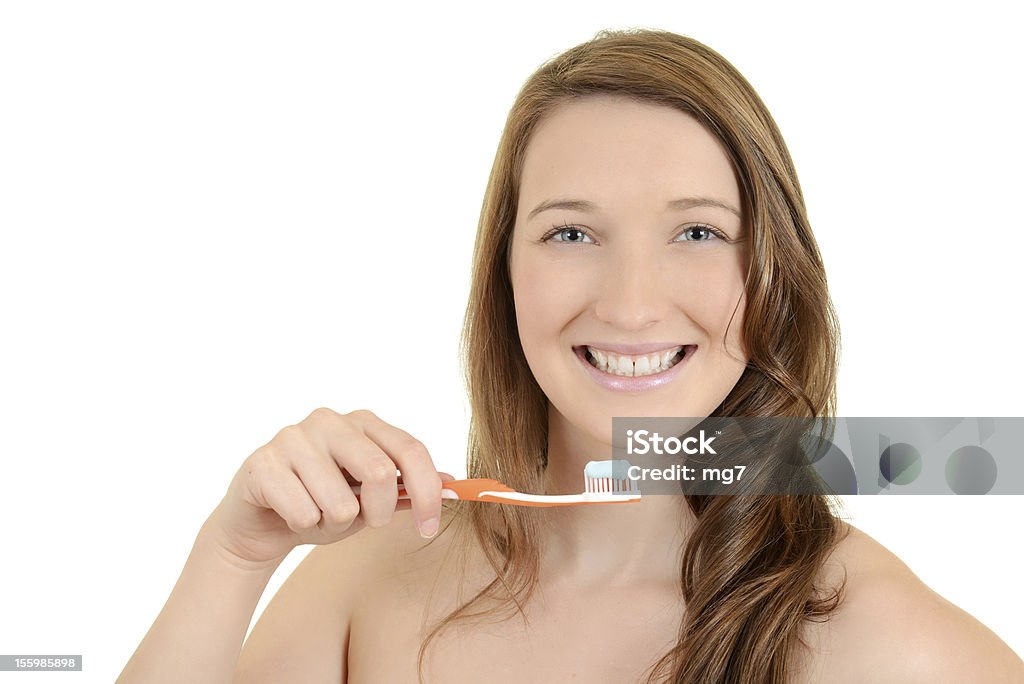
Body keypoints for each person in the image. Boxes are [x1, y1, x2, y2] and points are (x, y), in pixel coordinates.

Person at [118, 29, 1024, 683]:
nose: (631, 302)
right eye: (572, 233)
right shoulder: (367, 578)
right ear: (504, 275)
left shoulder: (880, 641)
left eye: (699, 231)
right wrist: (233, 557)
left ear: (774, 277)